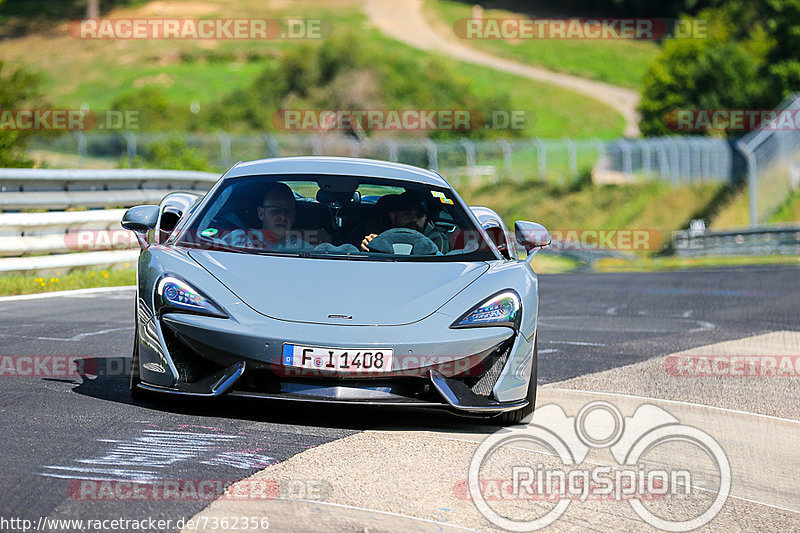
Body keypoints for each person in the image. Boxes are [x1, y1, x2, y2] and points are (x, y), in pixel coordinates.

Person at [222, 182, 311, 251]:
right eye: (276, 211)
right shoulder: (240, 238)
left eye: (288, 212)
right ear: (261, 213)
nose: (283, 217)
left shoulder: (304, 249)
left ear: (294, 215)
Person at [361, 190, 449, 253]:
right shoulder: (375, 236)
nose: (414, 219)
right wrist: (367, 249)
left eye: (419, 215)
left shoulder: (436, 239)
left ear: (425, 218)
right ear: (393, 216)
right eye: (407, 214)